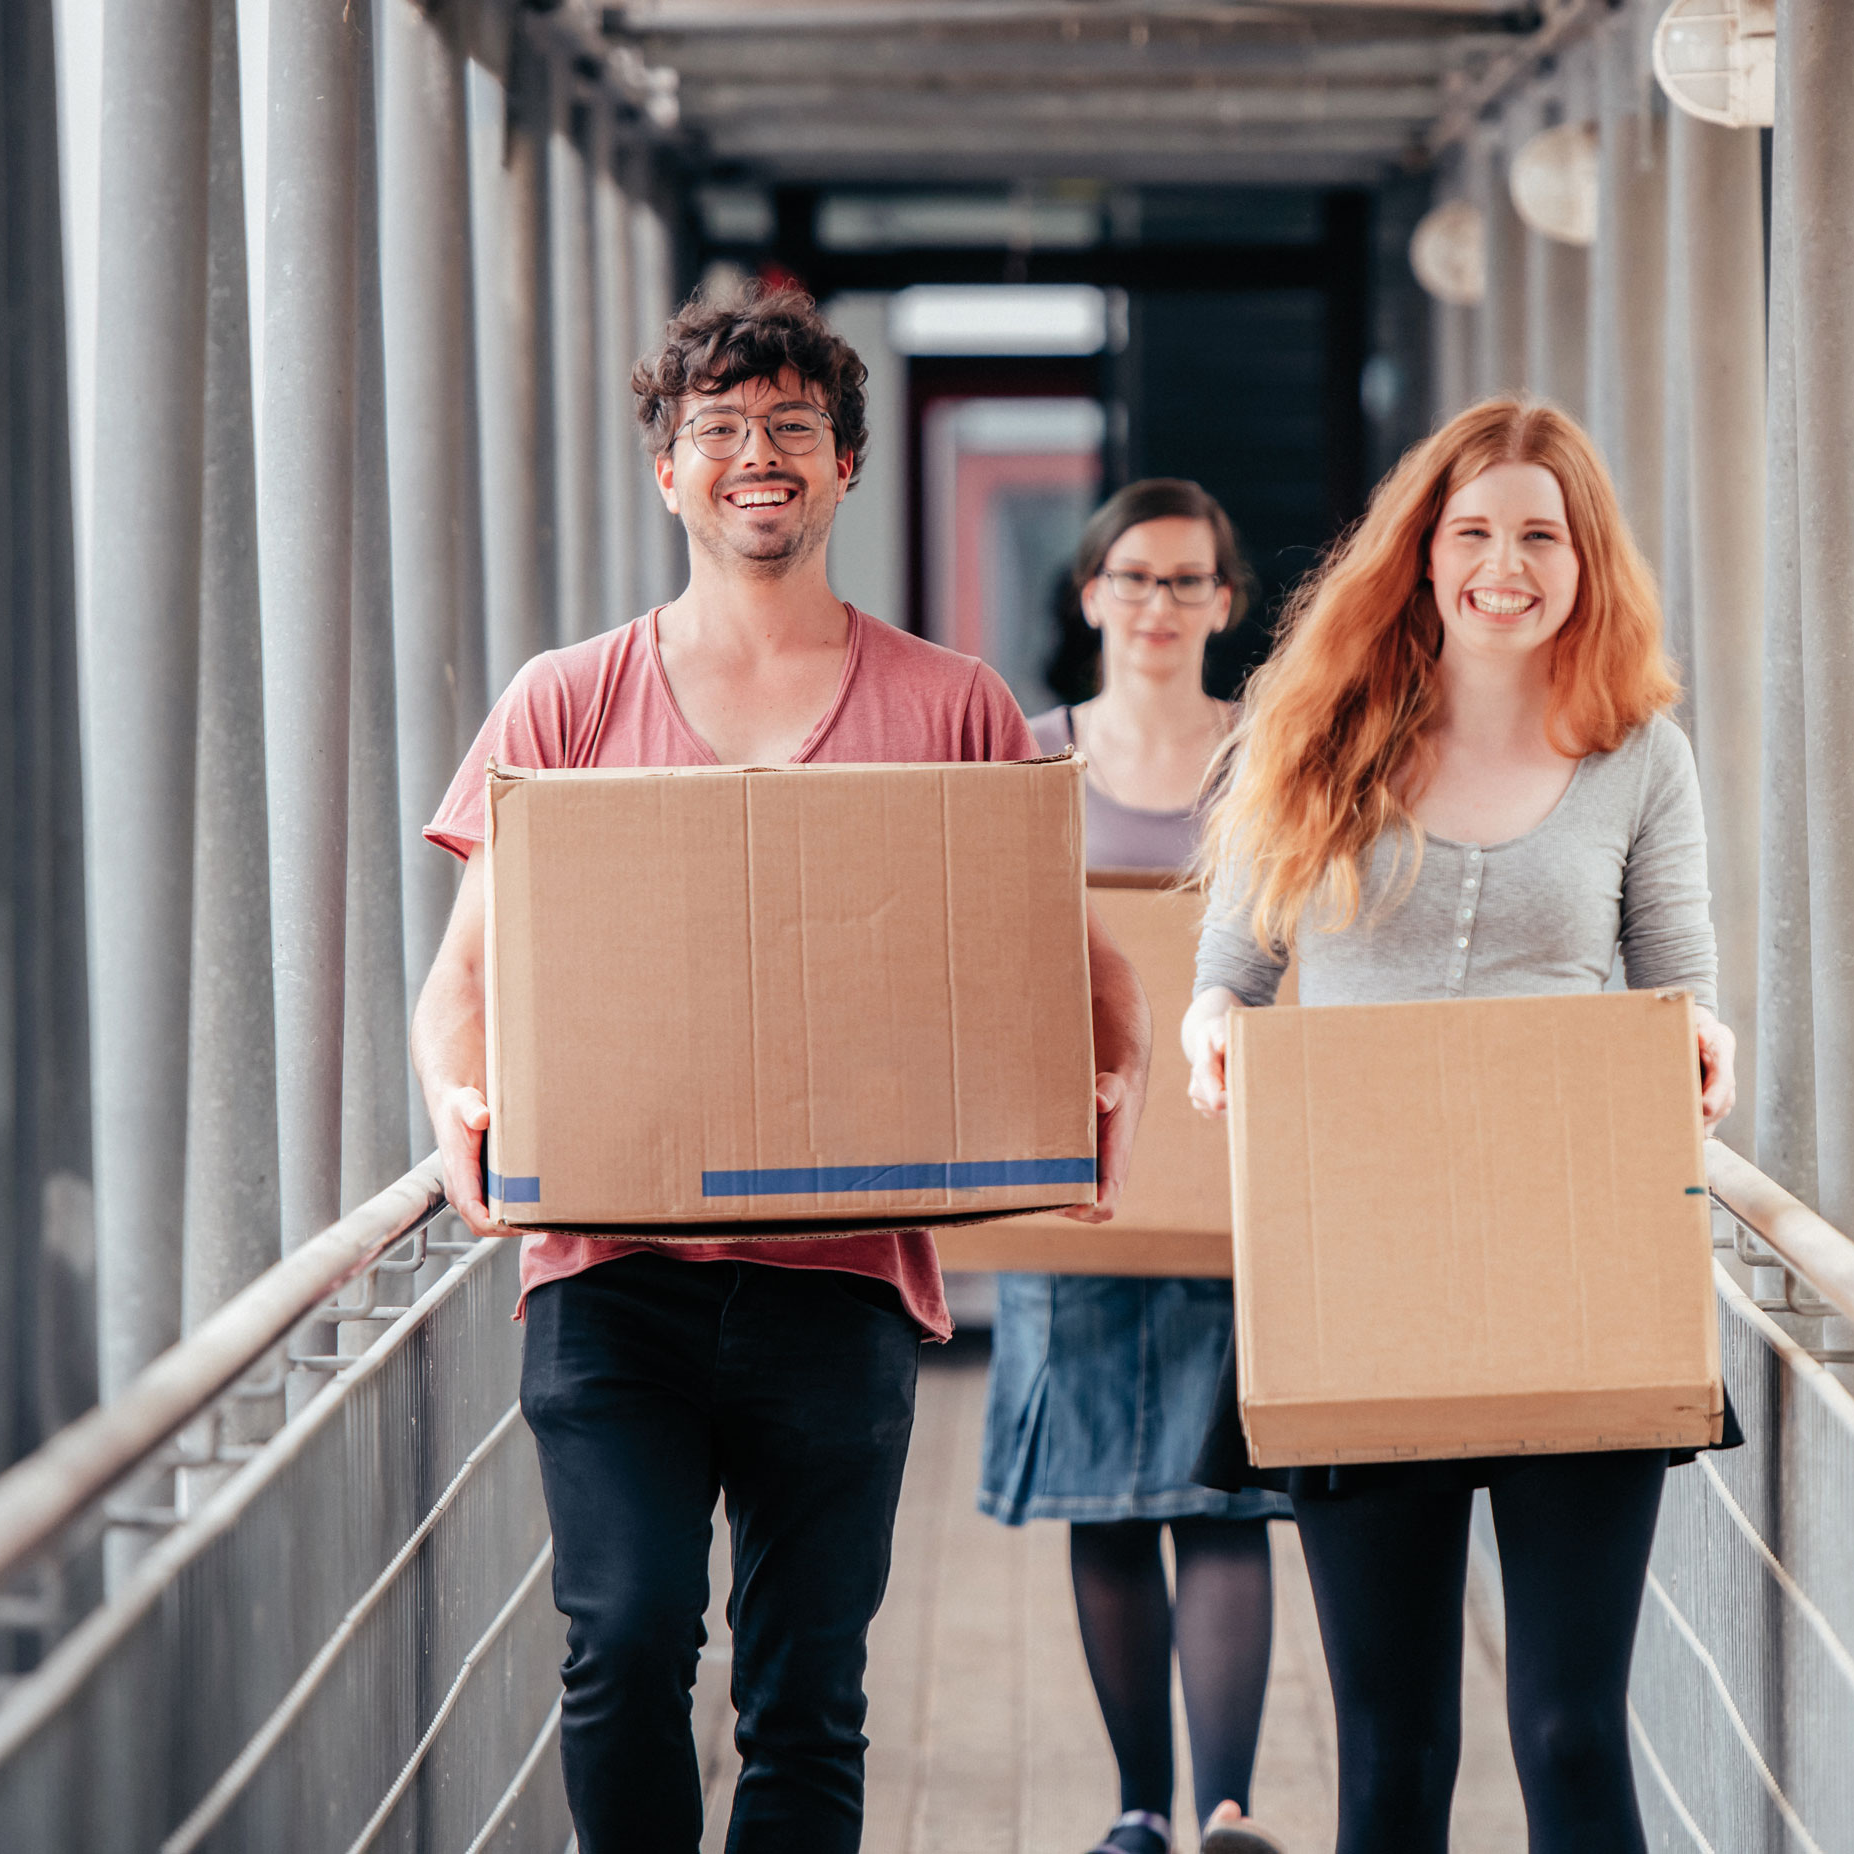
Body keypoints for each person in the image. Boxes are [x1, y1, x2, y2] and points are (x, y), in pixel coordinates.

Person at [411, 282, 1151, 1853]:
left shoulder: (950, 706)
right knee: (622, 1641)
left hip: (842, 1280)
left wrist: (1106, 1094)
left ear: (846, 466)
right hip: (611, 1270)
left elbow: (1083, 970)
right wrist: (458, 1103)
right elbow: (462, 982)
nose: (758, 452)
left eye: (793, 427)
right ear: (666, 470)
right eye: (720, 428)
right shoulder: (566, 701)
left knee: (807, 1688)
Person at [1177, 399, 1741, 1853]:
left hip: (1579, 1265)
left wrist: (1704, 1047)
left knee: (1569, 1728)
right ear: (1421, 554)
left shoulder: (1640, 756)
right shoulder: (1312, 734)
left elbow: (1678, 987)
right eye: (1473, 532)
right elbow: (1230, 975)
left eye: (1540, 536)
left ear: (1585, 559)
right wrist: (1213, 1036)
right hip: (1358, 1268)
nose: (1505, 566)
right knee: (1394, 1743)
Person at [978, 481, 1289, 1854]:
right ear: (1090, 593)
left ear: (1225, 603)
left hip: (1229, 1171)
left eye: (1186, 580)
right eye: (1134, 576)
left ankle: (1223, 1811)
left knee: (1224, 1496)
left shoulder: (1273, 758)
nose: (1158, 603)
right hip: (1081, 1178)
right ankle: (1139, 1811)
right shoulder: (1031, 756)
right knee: (1103, 1501)